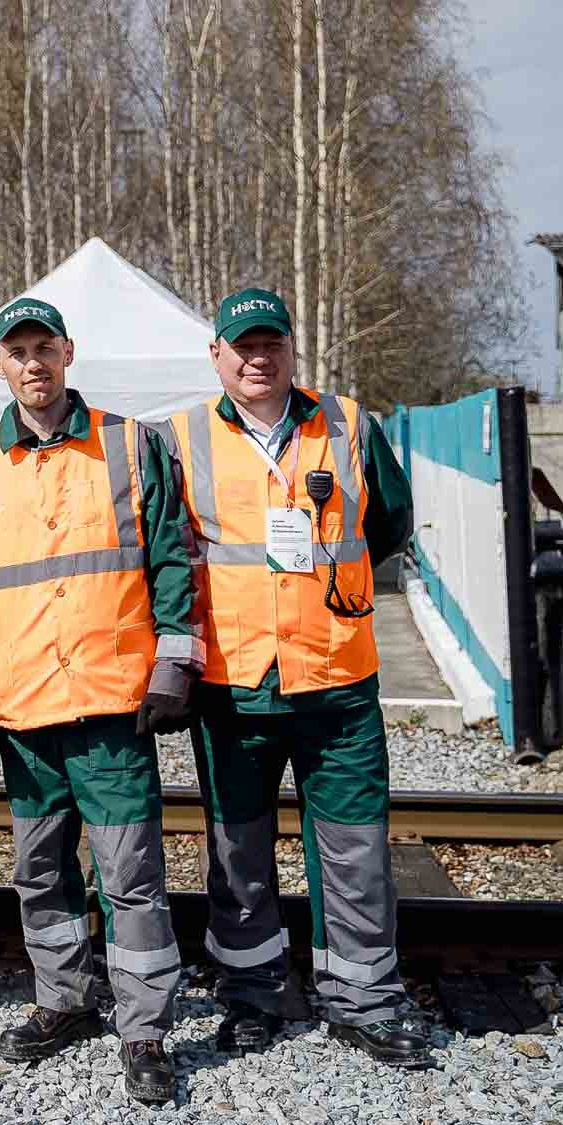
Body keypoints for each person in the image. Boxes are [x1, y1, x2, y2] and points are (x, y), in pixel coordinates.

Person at [0, 298, 202, 1106]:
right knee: (39, 872)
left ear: (68, 352)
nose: (32, 364)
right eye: (16, 351)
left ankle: (145, 1027)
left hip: (112, 708)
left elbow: (171, 563)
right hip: (22, 715)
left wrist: (172, 672)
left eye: (43, 347)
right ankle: (64, 1001)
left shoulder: (129, 445)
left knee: (131, 875)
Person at [158, 287, 427, 1069]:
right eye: (241, 345)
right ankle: (252, 995)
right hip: (235, 681)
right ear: (216, 355)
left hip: (337, 677)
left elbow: (389, 524)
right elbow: (166, 551)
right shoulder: (179, 438)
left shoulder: (346, 423)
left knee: (354, 845)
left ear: (291, 348)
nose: (257, 357)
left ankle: (364, 999)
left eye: (270, 342)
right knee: (237, 850)